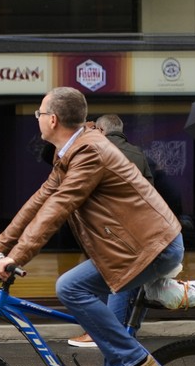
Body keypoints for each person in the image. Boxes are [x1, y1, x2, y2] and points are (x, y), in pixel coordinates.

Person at [0, 86, 184, 366]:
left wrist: (17, 257)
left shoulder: (89, 152)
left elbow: (58, 208)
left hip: (148, 248)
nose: (37, 118)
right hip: (127, 250)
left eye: (39, 112)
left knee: (71, 288)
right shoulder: (71, 152)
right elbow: (40, 201)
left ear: (53, 119)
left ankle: (136, 364)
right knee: (111, 334)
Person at [67, 113, 156, 349]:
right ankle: (122, 333)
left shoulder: (96, 150)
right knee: (122, 281)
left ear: (102, 130)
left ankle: (109, 335)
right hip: (137, 229)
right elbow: (150, 193)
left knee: (112, 280)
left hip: (107, 229)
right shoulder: (138, 154)